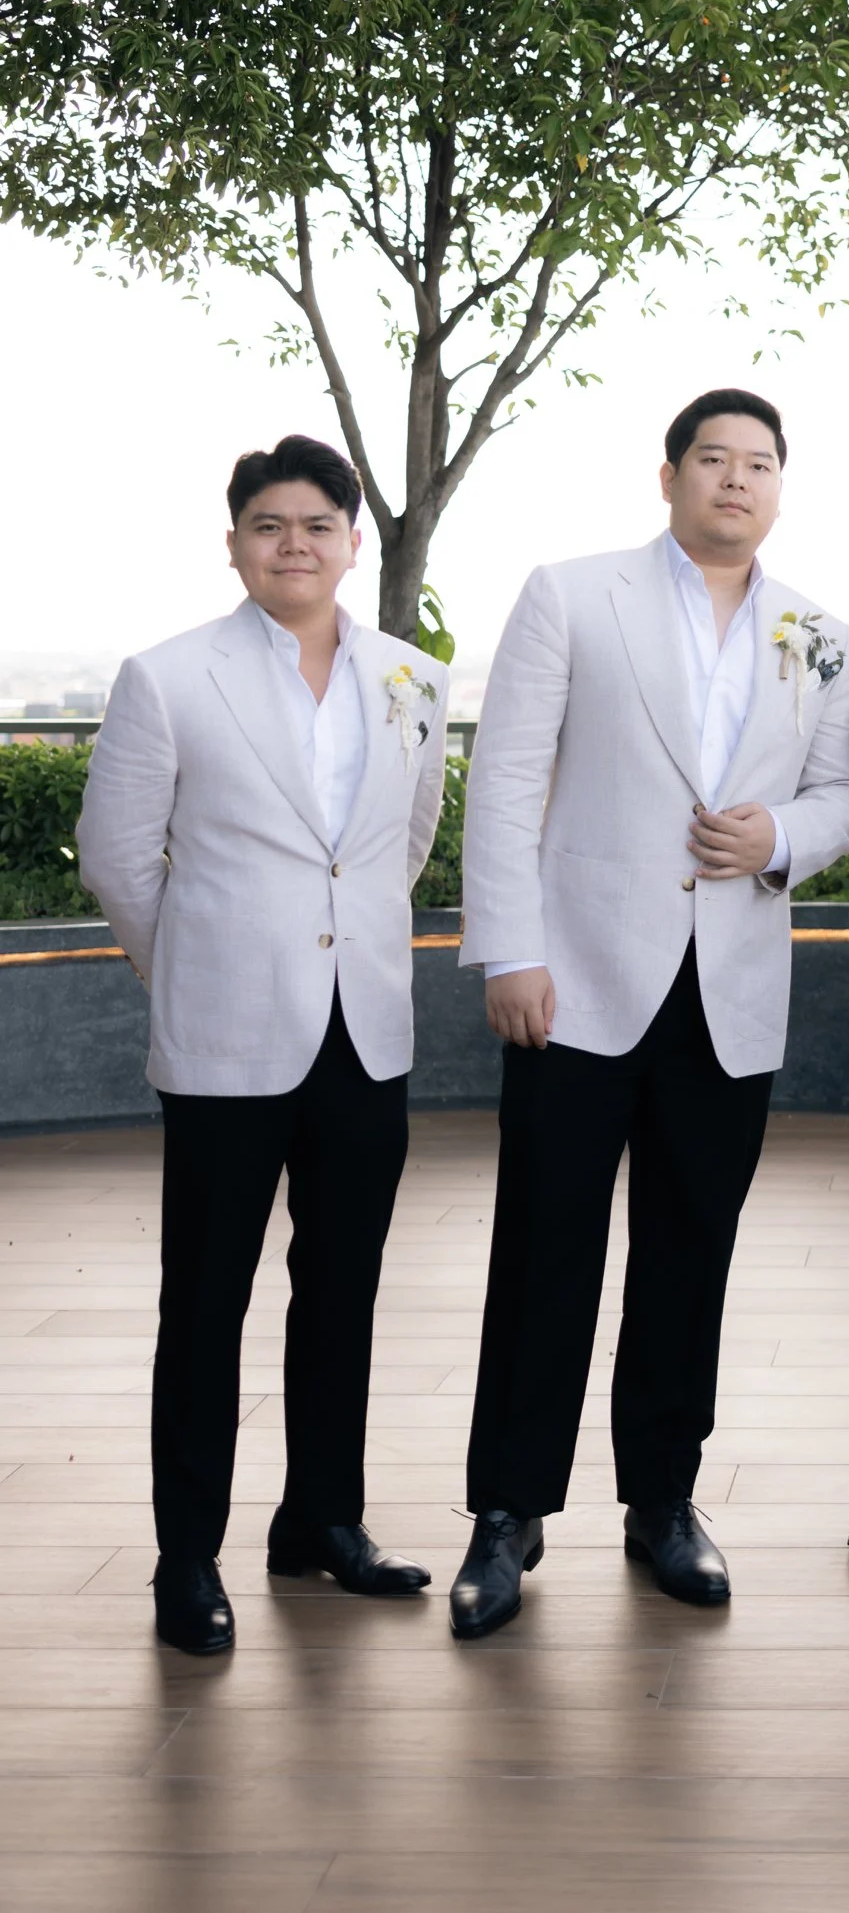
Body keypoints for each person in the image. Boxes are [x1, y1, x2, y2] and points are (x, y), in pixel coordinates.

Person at [449, 388, 849, 1638]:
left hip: (725, 989)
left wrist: (779, 833)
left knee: (691, 1253)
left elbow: (847, 788)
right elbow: (505, 775)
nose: (735, 478)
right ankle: (506, 1511)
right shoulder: (573, 593)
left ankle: (664, 1501)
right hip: (573, 980)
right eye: (712, 457)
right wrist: (509, 949)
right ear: (669, 473)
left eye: (759, 463)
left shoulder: (818, 632)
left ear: (779, 487)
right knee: (544, 1251)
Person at [76, 434, 449, 1656]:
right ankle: (187, 1554)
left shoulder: (412, 678)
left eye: (317, 524)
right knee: (206, 1300)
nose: (295, 543)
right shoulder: (169, 675)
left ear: (353, 541)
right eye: (268, 524)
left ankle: (321, 1520)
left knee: (342, 1290)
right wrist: (194, 960)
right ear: (233, 542)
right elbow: (117, 856)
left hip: (363, 1030)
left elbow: (402, 843)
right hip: (226, 1032)